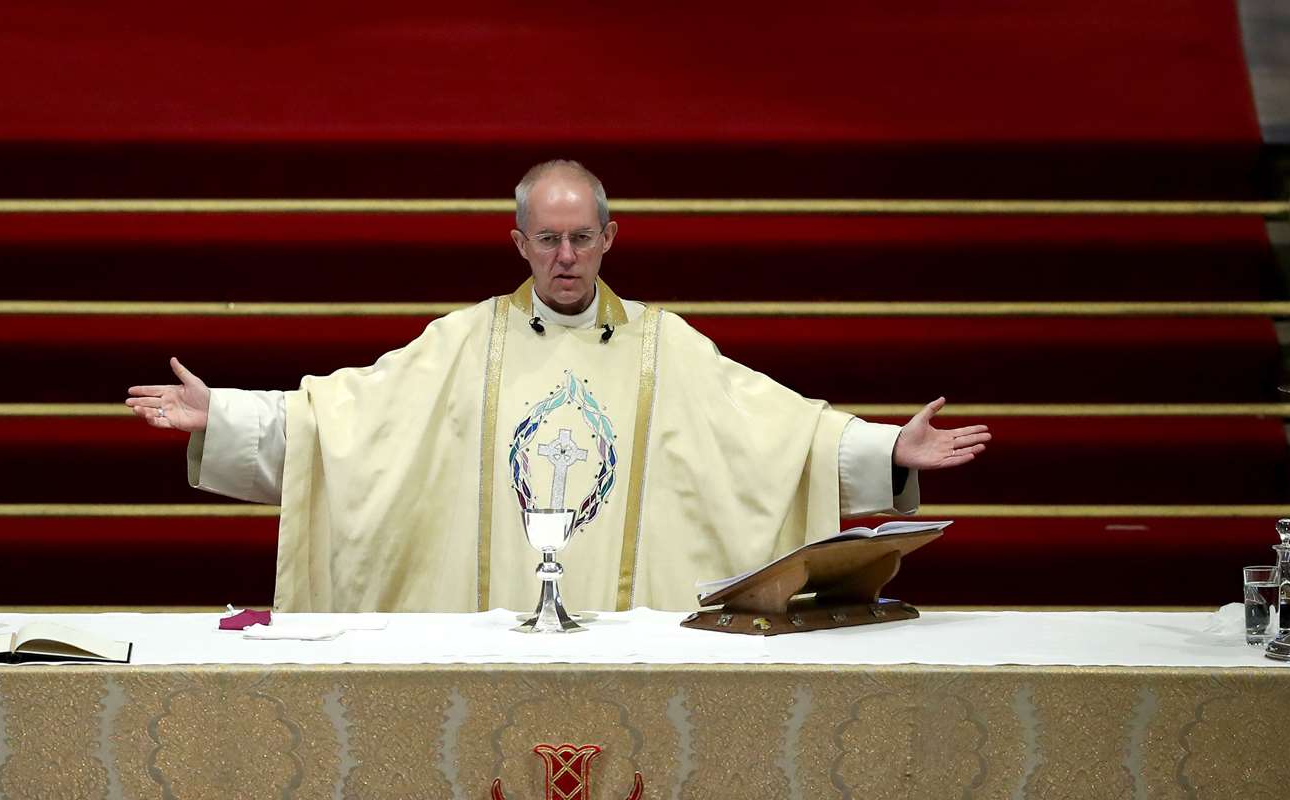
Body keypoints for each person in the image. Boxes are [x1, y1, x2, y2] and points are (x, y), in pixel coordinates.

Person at [127, 160, 988, 612]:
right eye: (548, 239)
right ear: (518, 242)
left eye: (581, 238)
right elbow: (351, 426)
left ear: (611, 237)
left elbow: (776, 434)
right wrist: (228, 415)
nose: (565, 258)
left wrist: (886, 450)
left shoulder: (664, 347)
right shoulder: (465, 343)